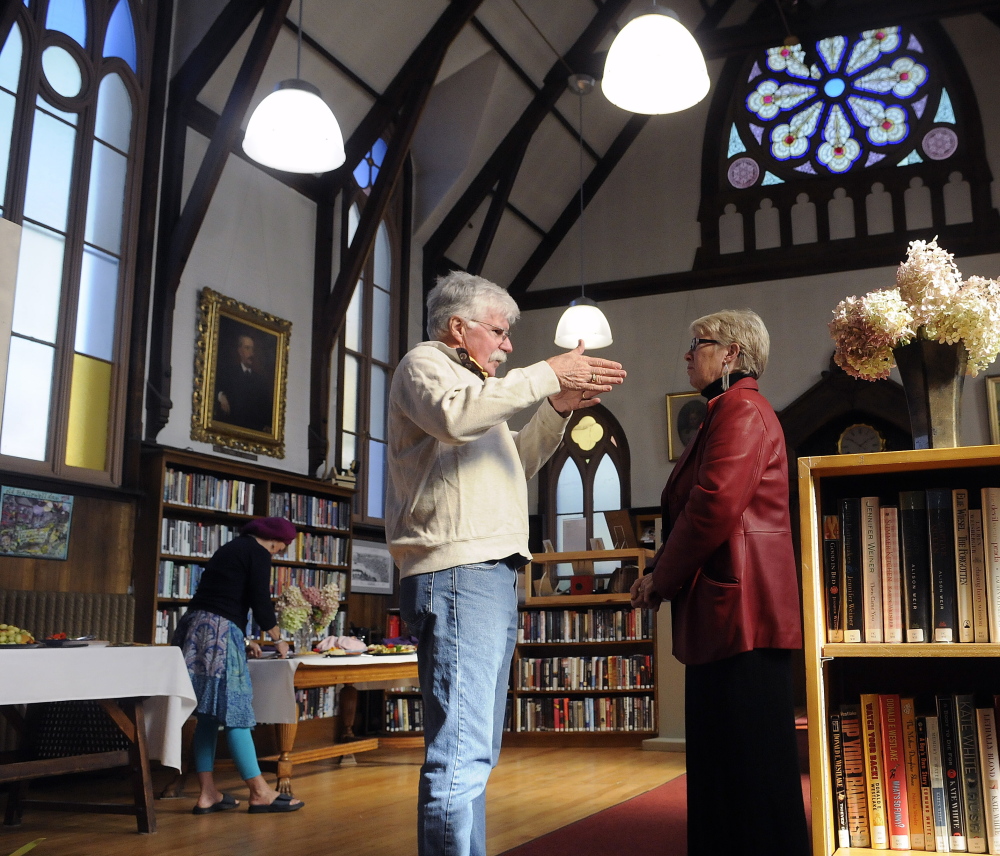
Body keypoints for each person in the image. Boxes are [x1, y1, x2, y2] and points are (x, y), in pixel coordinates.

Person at [386, 270, 627, 856]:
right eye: (499, 331)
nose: (508, 345)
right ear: (457, 327)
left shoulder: (476, 388)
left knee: (477, 750)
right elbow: (454, 417)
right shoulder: (425, 365)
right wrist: (546, 373)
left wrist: (557, 405)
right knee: (460, 753)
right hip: (457, 572)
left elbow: (514, 462)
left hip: (486, 573)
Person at [630, 310, 808, 856]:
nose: (687, 354)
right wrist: (662, 568)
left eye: (697, 344)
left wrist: (660, 577)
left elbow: (712, 508)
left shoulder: (742, 410)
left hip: (743, 614)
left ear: (731, 353)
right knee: (726, 768)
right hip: (728, 609)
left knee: (752, 771)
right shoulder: (724, 410)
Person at [172, 516, 305, 815]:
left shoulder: (230, 548)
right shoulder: (258, 553)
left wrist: (243, 639)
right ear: (275, 540)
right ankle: (259, 792)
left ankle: (207, 793)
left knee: (206, 715)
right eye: (282, 547)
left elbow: (223, 597)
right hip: (219, 633)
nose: (280, 552)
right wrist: (278, 639)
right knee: (236, 711)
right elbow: (260, 601)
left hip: (195, 629)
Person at [214, 330, 273, 432]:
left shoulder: (260, 380)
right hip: (231, 428)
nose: (251, 353)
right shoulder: (229, 373)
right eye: (247, 348)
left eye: (252, 349)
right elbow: (213, 386)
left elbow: (267, 409)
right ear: (240, 351)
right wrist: (220, 396)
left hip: (254, 431)